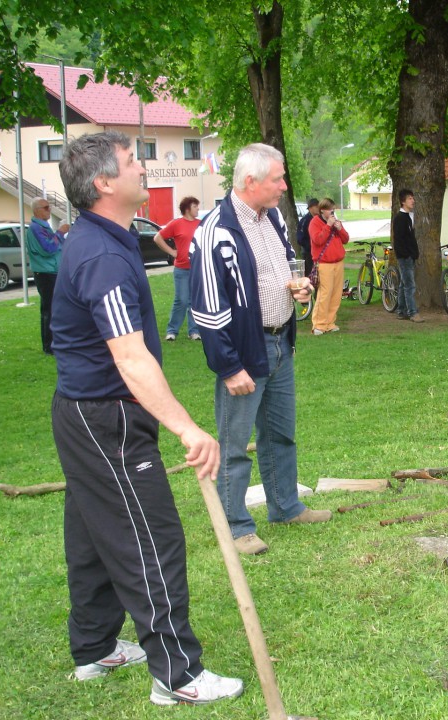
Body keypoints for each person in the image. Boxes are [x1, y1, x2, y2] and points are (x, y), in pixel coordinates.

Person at [50, 131, 242, 707]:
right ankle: (177, 675)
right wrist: (188, 427)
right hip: (106, 418)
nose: (146, 167)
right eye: (134, 162)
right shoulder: (103, 255)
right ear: (104, 183)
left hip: (85, 412)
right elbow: (129, 357)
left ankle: (94, 647)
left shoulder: (107, 236)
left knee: (91, 532)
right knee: (150, 537)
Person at [189, 143, 331, 556]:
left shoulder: (273, 221)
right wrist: (229, 367)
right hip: (245, 352)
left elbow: (287, 266)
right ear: (250, 182)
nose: (285, 186)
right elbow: (208, 308)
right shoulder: (216, 229)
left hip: (280, 342)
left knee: (280, 434)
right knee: (234, 445)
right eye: (277, 179)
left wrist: (299, 287)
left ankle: (286, 506)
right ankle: (235, 526)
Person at [154, 196, 202, 341]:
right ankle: (172, 331)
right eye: (195, 206)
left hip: (197, 269)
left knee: (194, 301)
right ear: (187, 209)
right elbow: (157, 238)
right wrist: (172, 252)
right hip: (182, 269)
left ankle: (194, 331)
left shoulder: (201, 224)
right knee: (181, 300)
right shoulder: (176, 224)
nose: (198, 209)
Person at [26, 197, 69, 354]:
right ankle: (48, 345)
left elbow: (58, 247)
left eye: (49, 207)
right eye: (45, 207)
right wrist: (60, 232)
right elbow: (48, 248)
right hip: (45, 273)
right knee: (49, 309)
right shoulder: (36, 228)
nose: (49, 210)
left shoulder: (43, 227)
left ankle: (55, 342)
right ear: (37, 210)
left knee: (55, 308)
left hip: (52, 271)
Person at [308, 197, 350, 335]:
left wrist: (340, 229)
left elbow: (346, 239)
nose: (332, 211)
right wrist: (328, 226)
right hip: (324, 263)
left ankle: (330, 322)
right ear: (322, 210)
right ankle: (319, 324)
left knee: (336, 294)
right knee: (325, 293)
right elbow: (318, 240)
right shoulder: (315, 222)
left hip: (338, 262)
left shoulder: (336, 222)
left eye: (333, 208)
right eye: (329, 209)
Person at [392, 189, 423, 322]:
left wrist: (414, 253)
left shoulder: (408, 217)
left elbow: (410, 238)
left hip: (409, 256)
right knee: (410, 285)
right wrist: (406, 255)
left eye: (413, 198)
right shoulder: (400, 218)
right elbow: (399, 240)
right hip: (404, 257)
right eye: (410, 198)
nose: (413, 201)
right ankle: (412, 312)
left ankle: (401, 310)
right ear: (403, 202)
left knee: (404, 284)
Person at [297, 197, 319, 277]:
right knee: (309, 274)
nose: (318, 208)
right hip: (308, 253)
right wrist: (309, 246)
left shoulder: (319, 219)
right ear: (310, 208)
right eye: (316, 206)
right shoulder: (305, 220)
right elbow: (300, 238)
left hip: (318, 252)